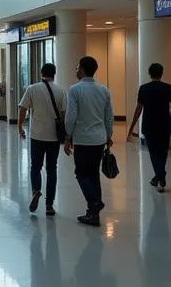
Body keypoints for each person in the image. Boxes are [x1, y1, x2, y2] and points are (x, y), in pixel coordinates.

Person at [64, 55, 114, 227]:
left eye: (77, 67)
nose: (76, 70)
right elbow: (109, 116)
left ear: (83, 69)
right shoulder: (103, 90)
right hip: (99, 139)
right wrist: (109, 135)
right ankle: (93, 213)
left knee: (81, 173)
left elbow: (71, 117)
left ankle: (94, 203)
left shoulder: (75, 90)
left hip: (83, 139)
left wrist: (68, 136)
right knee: (93, 175)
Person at [18, 62, 65, 217]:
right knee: (52, 169)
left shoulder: (32, 88)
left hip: (37, 135)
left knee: (35, 166)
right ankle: (49, 205)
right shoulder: (61, 91)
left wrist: (19, 127)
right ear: (55, 74)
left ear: (41, 73)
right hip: (54, 137)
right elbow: (64, 114)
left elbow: (23, 108)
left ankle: (36, 191)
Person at [126, 62, 171, 193]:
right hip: (164, 123)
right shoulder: (168, 87)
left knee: (154, 152)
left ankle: (160, 177)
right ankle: (159, 175)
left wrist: (132, 126)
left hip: (149, 124)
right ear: (162, 73)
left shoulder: (144, 88)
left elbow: (139, 108)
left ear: (149, 74)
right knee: (163, 151)